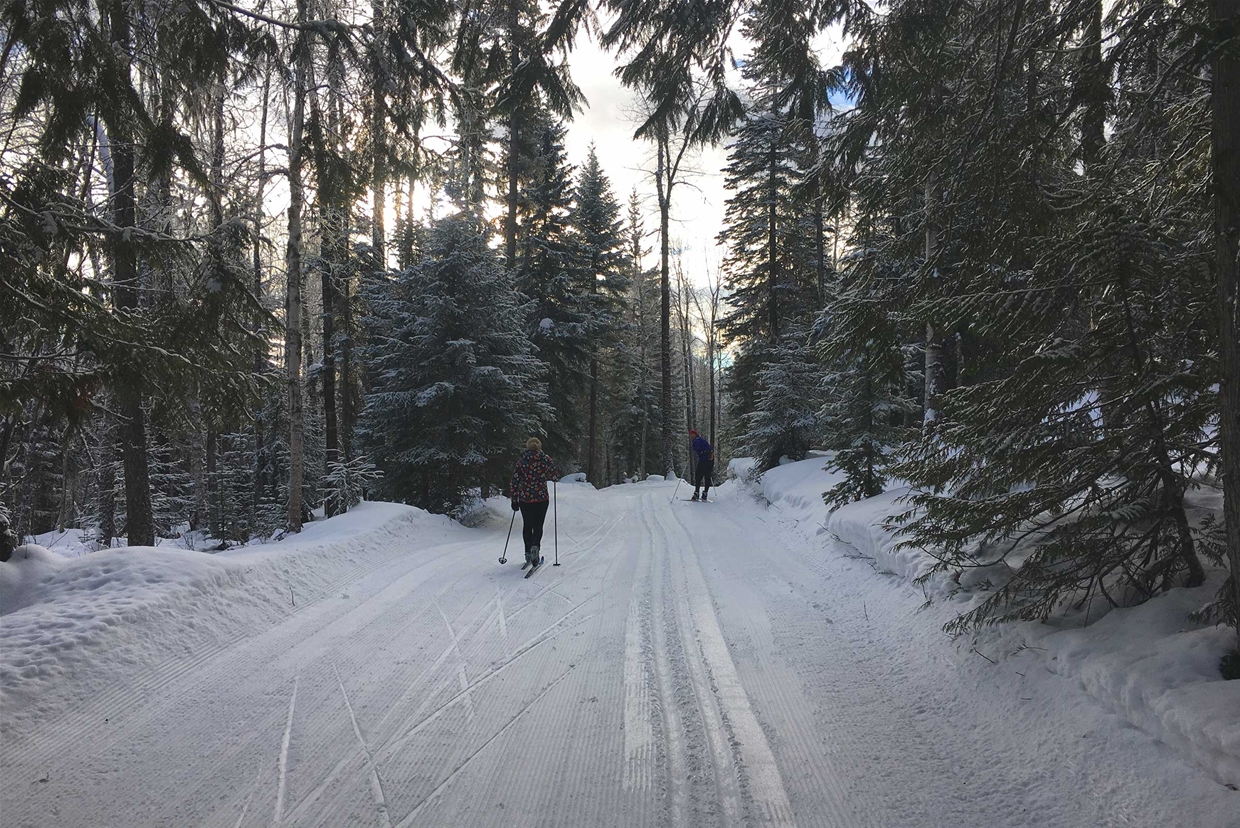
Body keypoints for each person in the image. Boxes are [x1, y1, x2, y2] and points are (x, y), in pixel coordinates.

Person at [510, 437, 557, 566]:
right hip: (541, 498)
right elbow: (554, 475)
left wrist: (514, 498)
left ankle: (527, 552)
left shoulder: (522, 461)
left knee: (527, 525)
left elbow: (515, 480)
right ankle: (536, 546)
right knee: (538, 525)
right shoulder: (546, 459)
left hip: (525, 498)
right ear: (539, 447)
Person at [689, 429, 714, 501]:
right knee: (707, 476)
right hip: (710, 459)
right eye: (690, 435)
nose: (691, 436)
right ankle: (705, 493)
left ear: (695, 434)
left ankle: (697, 493)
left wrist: (693, 448)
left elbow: (696, 446)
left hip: (704, 460)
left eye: (692, 434)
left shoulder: (697, 440)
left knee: (698, 476)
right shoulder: (701, 439)